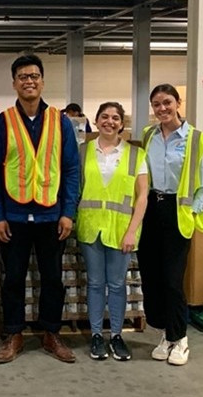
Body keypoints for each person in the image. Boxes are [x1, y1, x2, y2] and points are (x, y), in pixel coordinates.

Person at [0, 54, 80, 364]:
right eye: (23, 76)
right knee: (13, 278)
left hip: (52, 216)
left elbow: (71, 170)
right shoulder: (1, 123)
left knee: (52, 278)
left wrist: (68, 212)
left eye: (34, 76)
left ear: (42, 81)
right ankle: (14, 334)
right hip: (13, 217)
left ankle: (51, 333)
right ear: (14, 83)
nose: (29, 81)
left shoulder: (60, 121)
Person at [138, 84, 203, 366]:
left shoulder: (196, 139)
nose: (162, 109)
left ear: (178, 102)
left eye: (167, 103)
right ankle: (166, 335)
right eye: (156, 104)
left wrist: (193, 213)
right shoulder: (148, 135)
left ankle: (180, 338)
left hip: (177, 213)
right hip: (151, 209)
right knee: (152, 276)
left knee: (172, 279)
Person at [76, 102, 148, 361]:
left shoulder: (135, 155)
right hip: (90, 227)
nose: (110, 121)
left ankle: (116, 336)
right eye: (104, 117)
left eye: (115, 117)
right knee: (95, 283)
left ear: (122, 123)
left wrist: (132, 231)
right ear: (95, 122)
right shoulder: (82, 152)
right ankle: (97, 335)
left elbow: (142, 197)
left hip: (121, 231)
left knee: (117, 285)